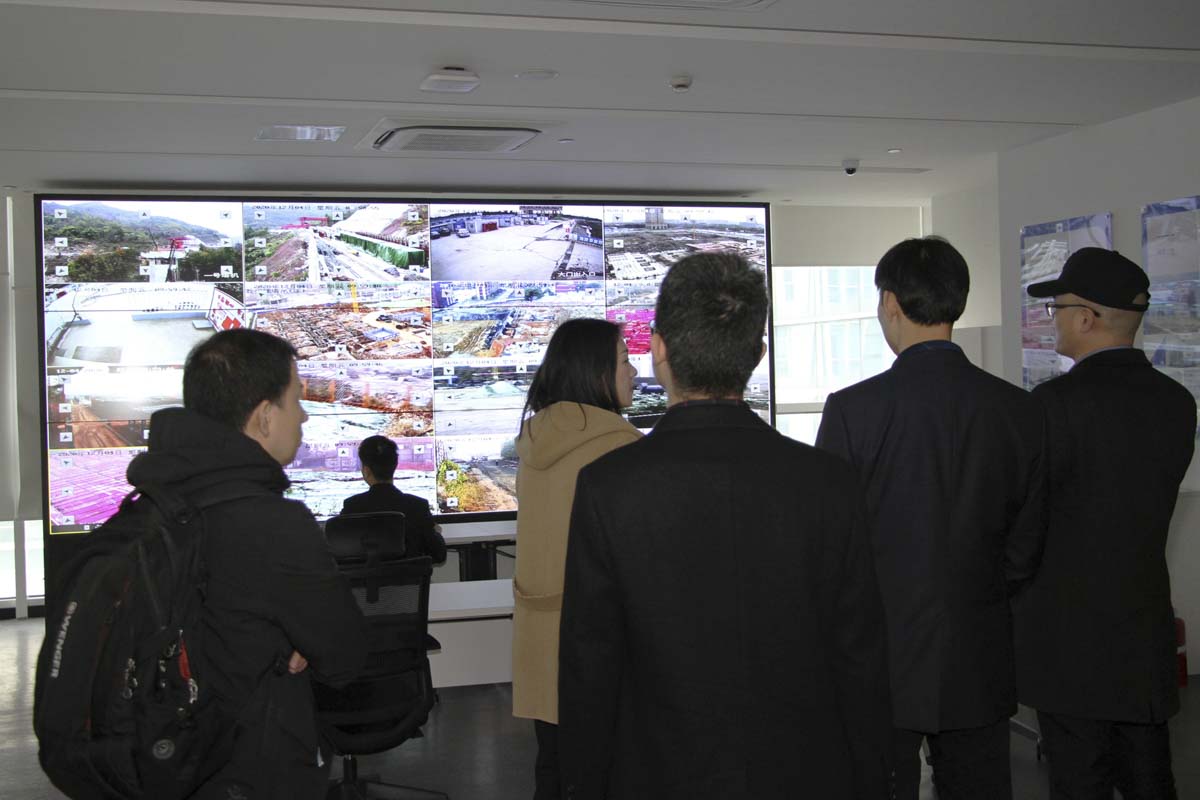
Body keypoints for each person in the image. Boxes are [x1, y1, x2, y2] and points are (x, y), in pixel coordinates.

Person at [558, 252, 891, 800]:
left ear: (658, 348)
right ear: (757, 354)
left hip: (656, 773)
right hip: (806, 773)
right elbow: (861, 659)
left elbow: (590, 665)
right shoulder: (830, 484)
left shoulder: (607, 486)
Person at [815, 236, 1046, 800]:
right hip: (978, 653)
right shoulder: (1019, 409)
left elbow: (830, 545)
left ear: (890, 303)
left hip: (880, 660)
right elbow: (1026, 547)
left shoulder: (853, 409)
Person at [126, 328, 368, 799]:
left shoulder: (148, 506)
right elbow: (344, 656)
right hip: (255, 765)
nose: (304, 415)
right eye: (295, 400)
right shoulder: (274, 524)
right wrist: (299, 640)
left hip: (164, 759)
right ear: (264, 417)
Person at [1016, 247, 1196, 799]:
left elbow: (1025, 527)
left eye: (1058, 308)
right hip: (1142, 637)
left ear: (1087, 318)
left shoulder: (1051, 405)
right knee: (1150, 780)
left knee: (1079, 783)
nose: (1054, 320)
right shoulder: (1176, 403)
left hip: (1068, 646)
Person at [512, 317, 643, 800]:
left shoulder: (534, 440)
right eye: (625, 360)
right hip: (599, 649)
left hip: (542, 646)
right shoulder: (621, 449)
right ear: (596, 372)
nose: (635, 372)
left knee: (555, 767)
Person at [341, 434, 447, 563]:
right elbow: (439, 555)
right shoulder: (418, 506)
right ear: (395, 465)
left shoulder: (352, 507)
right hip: (408, 576)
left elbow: (341, 556)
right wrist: (436, 532)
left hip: (368, 577)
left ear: (366, 471)